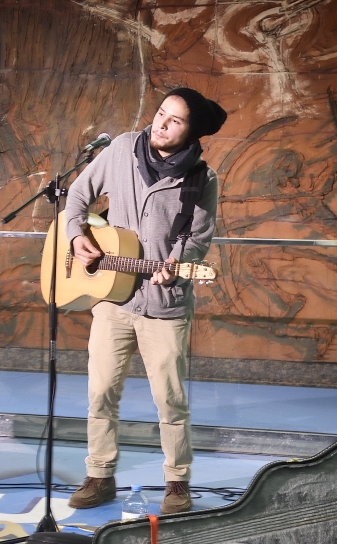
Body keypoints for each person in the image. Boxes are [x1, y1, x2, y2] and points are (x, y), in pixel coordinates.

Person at [63, 87, 227, 515]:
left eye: (174, 121)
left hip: (165, 306)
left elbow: (197, 239)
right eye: (160, 113)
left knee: (170, 400)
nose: (161, 124)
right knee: (100, 392)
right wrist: (77, 236)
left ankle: (177, 482)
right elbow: (78, 196)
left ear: (191, 133)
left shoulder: (201, 179)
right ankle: (99, 475)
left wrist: (174, 263)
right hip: (113, 301)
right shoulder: (120, 150)